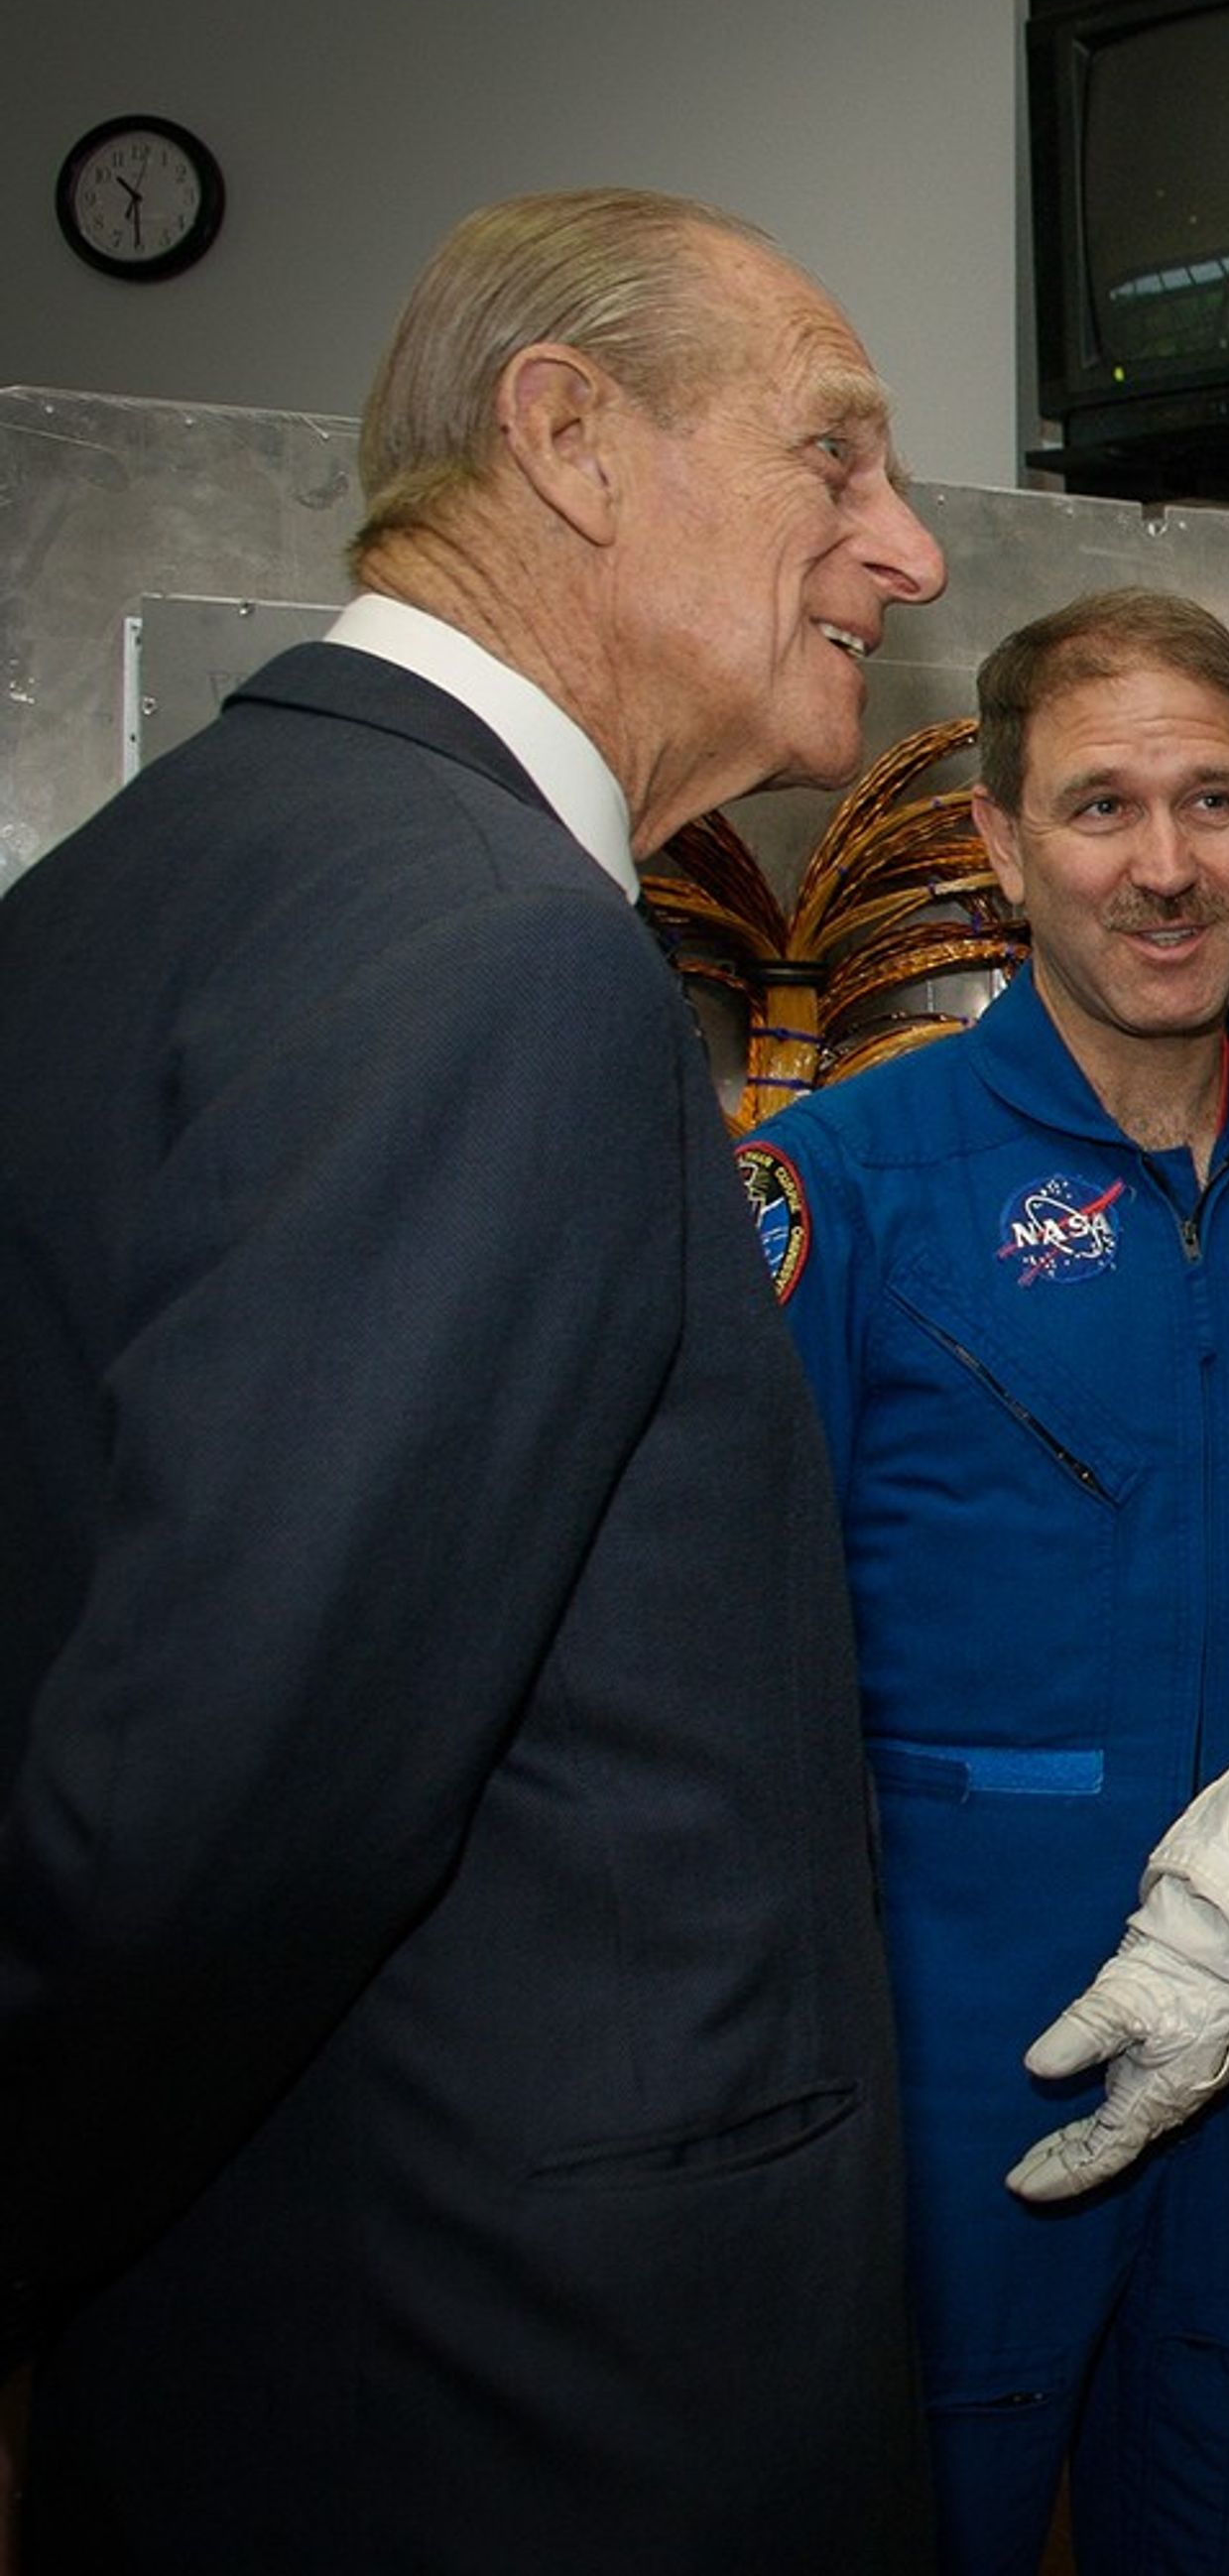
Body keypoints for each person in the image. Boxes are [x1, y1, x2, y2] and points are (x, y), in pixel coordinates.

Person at [0, 188, 948, 2568]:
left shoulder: (141, 890)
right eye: (836, 455)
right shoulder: (489, 951)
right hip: (522, 2411)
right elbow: (227, 1806)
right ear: (570, 441)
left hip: (266, 2330)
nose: (908, 550)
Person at [741, 586, 1229, 2576]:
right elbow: (711, 1633)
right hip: (956, 2055)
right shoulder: (850, 1186)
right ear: (1003, 847)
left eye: (1212, 803)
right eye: (1101, 809)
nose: (1165, 869)